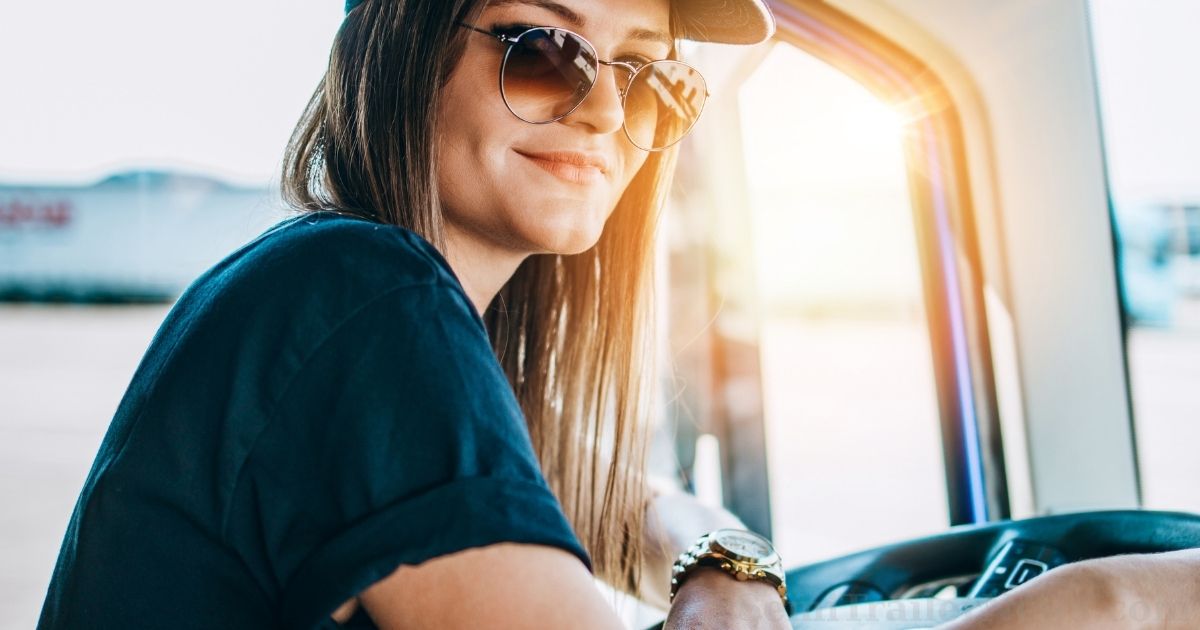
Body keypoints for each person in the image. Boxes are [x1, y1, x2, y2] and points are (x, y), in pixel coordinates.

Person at [35, 0, 1200, 628]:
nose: (602, 112)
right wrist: (1104, 605)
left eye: (644, 72)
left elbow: (632, 492)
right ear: (405, 41)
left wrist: (723, 564)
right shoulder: (359, 301)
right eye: (544, 51)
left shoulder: (407, 332)